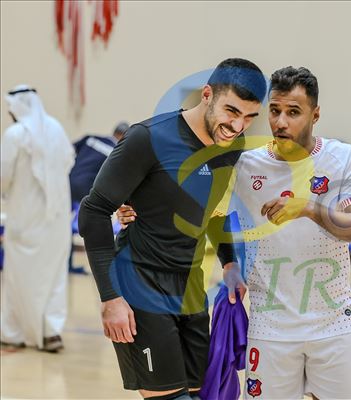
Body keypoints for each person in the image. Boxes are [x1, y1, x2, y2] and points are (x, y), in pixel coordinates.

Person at [120, 66, 351, 399]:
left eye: (293, 112)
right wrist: (137, 208)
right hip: (269, 328)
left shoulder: (344, 158)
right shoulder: (244, 164)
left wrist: (308, 208)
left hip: (334, 325)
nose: (281, 121)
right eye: (275, 110)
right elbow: (200, 208)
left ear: (315, 114)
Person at [78, 58, 267, 400]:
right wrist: (110, 297)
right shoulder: (147, 138)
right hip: (140, 285)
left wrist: (229, 263)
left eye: (249, 117)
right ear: (207, 95)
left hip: (192, 288)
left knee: (199, 394)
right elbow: (93, 212)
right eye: (231, 111)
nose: (238, 126)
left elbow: (215, 212)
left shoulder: (231, 149)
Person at [0, 85, 74, 352]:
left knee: (18, 278)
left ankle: (13, 333)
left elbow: (2, 176)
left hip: (25, 220)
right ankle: (50, 333)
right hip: (56, 222)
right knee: (53, 278)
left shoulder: (15, 134)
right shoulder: (56, 129)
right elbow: (69, 162)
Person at [68, 121, 129, 272]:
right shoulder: (116, 151)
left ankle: (66, 265)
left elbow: (69, 150)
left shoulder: (91, 138)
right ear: (124, 137)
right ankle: (104, 268)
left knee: (65, 226)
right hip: (86, 191)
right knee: (94, 228)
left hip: (68, 183)